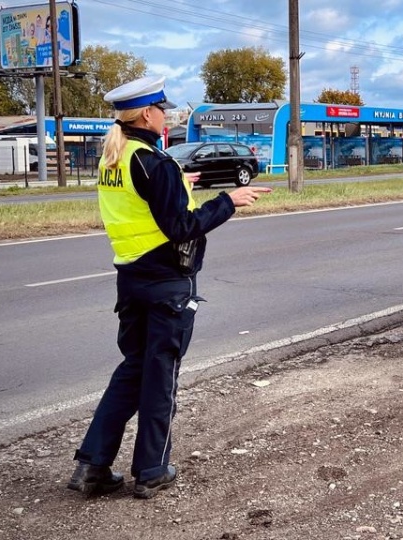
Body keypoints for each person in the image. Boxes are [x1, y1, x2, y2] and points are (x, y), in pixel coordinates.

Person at [67, 75, 271, 499]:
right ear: (147, 114)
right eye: (162, 109)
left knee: (133, 369)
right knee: (160, 374)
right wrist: (228, 201)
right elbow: (182, 227)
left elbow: (141, 203)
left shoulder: (117, 157)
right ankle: (152, 469)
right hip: (165, 283)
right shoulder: (154, 163)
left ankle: (92, 466)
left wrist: (180, 184)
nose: (166, 115)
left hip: (132, 279)